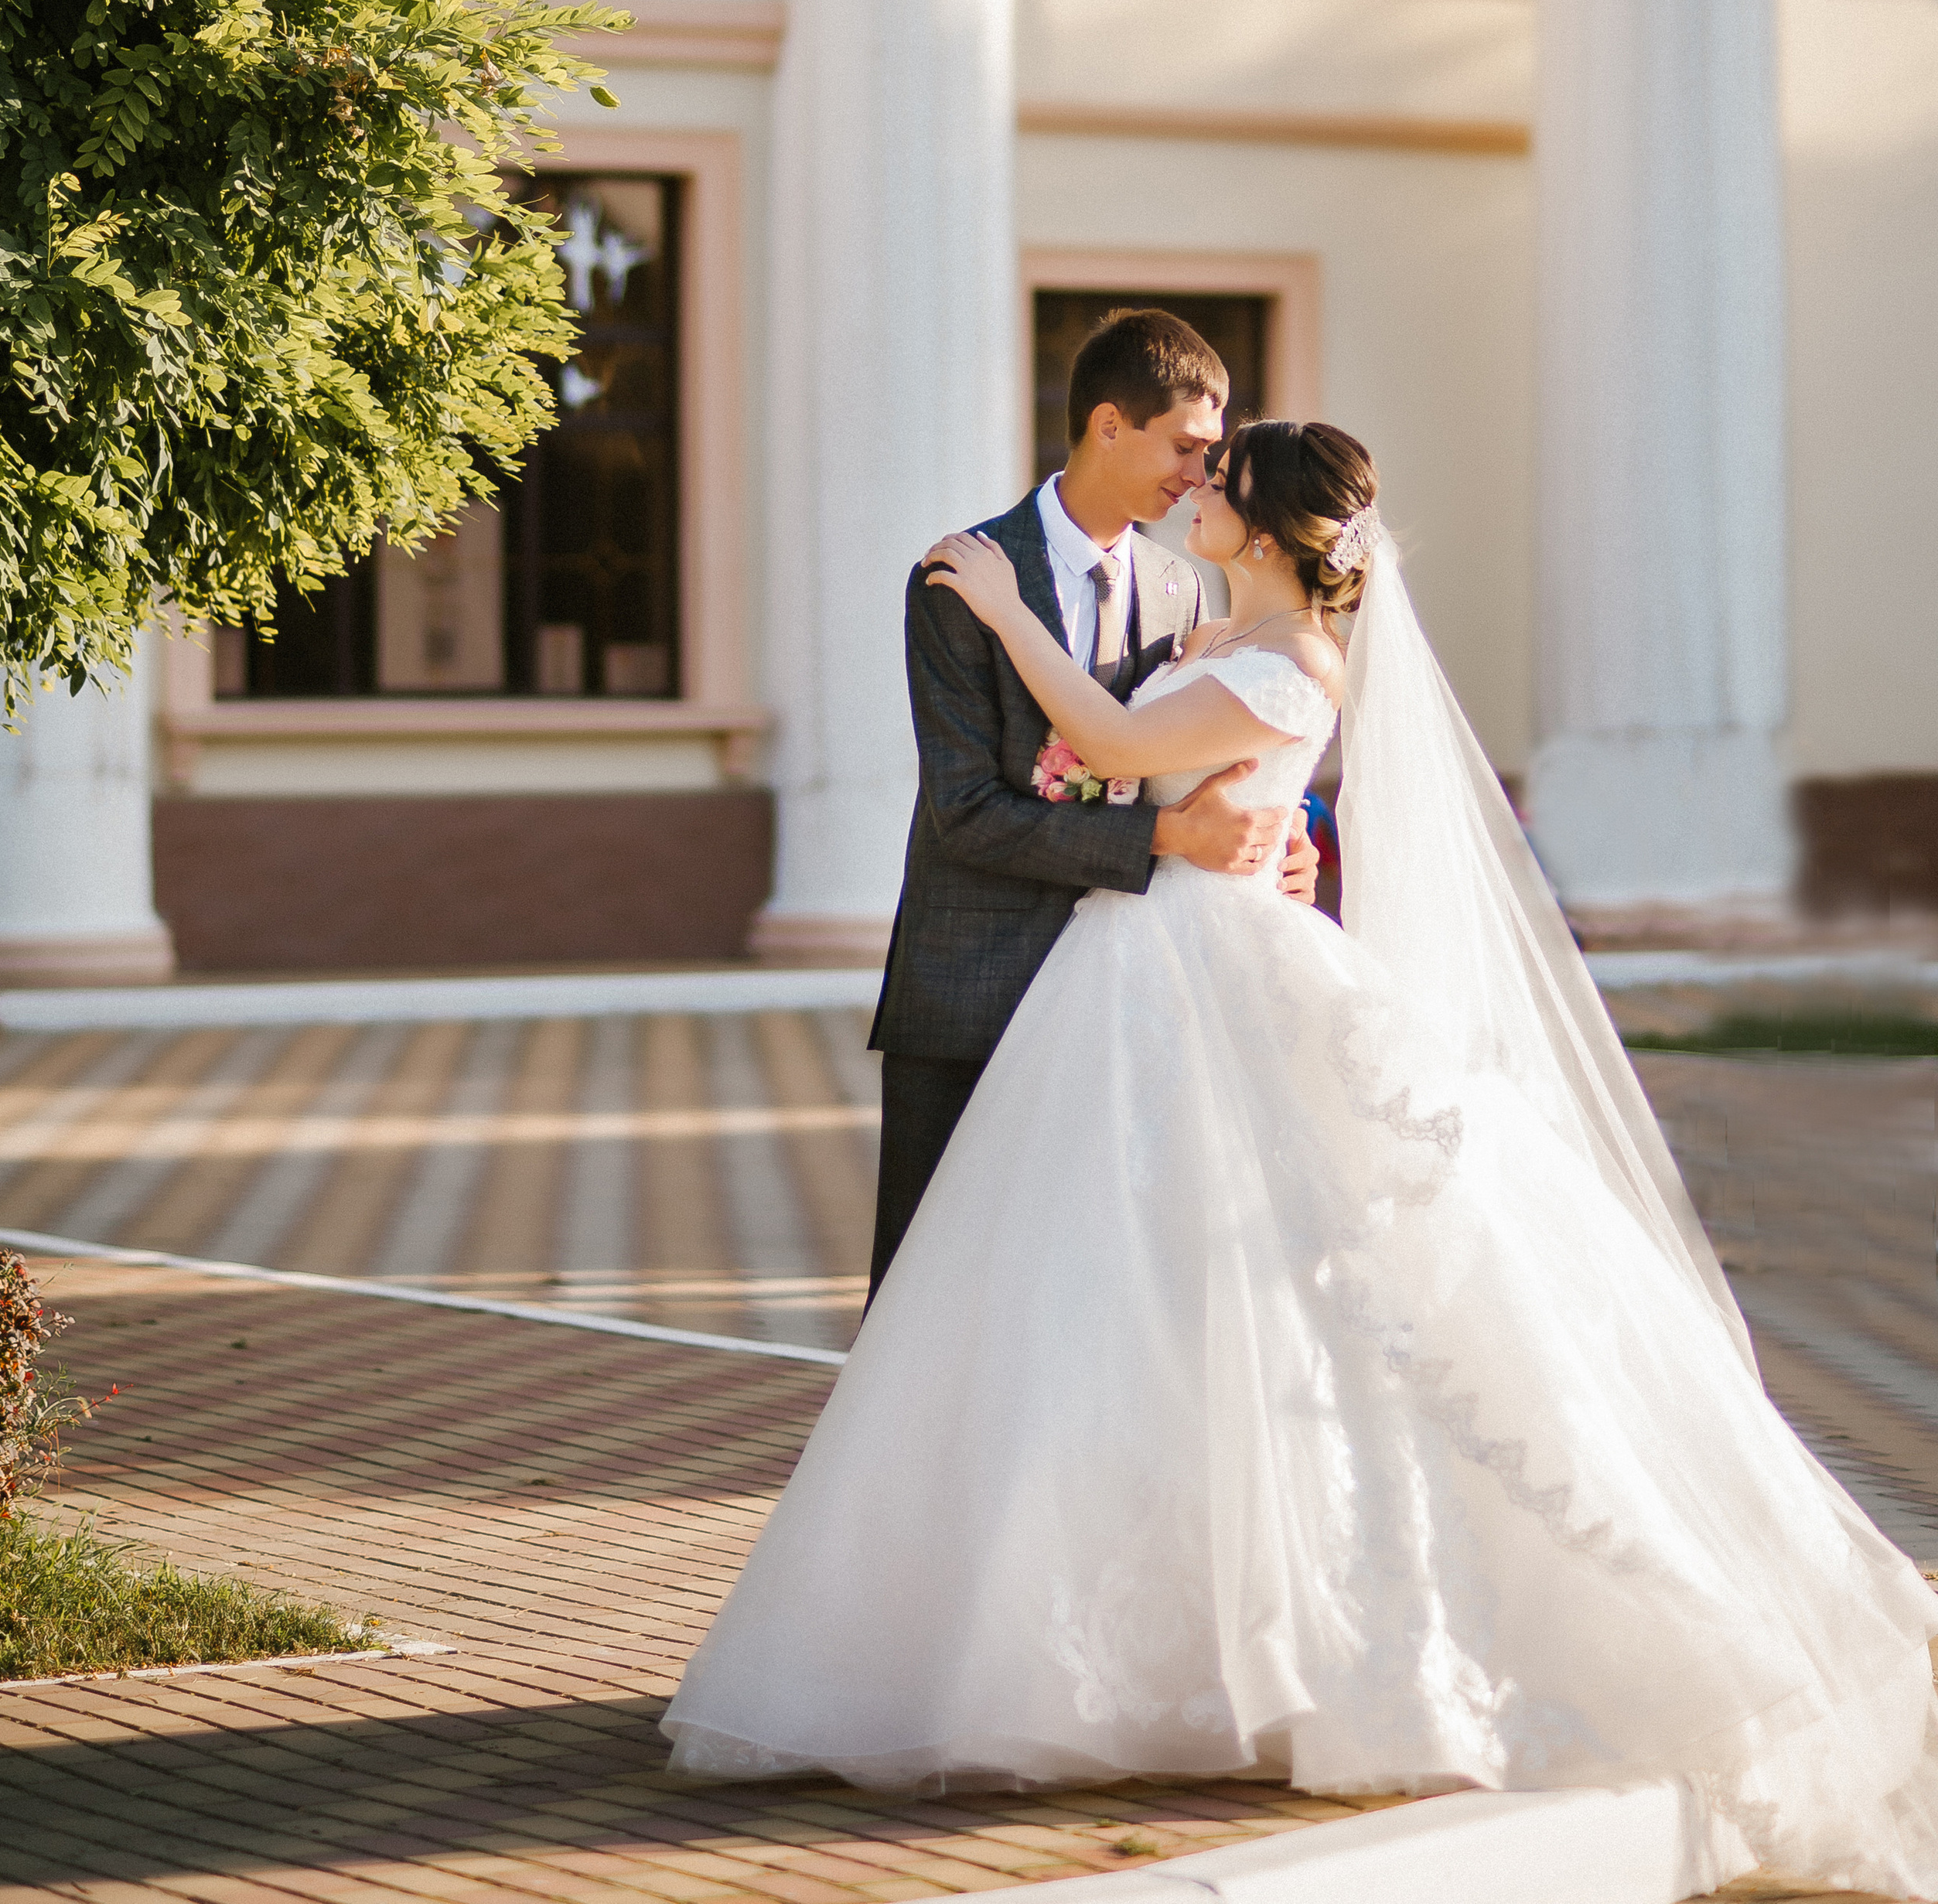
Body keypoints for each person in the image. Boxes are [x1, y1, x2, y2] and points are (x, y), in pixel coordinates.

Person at [665, 420, 1938, 1897]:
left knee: (1283, 1300)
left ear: (1269, 526)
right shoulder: (1227, 636)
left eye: (1221, 481)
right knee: (1145, 1310)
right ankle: (1181, 1645)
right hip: (1143, 967)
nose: (1196, 493)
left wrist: (1009, 616)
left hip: (1207, 975)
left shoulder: (1291, 661)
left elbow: (1123, 749)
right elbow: (1171, 774)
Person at [866, 309, 1319, 1296]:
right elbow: (965, 812)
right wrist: (1169, 836)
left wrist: (1289, 834)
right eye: (1185, 447)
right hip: (975, 988)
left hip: (1127, 1003)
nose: (1199, 474)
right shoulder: (962, 580)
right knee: (926, 1299)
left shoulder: (1184, 589)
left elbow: (1220, 743)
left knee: (1082, 1301)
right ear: (1109, 425)